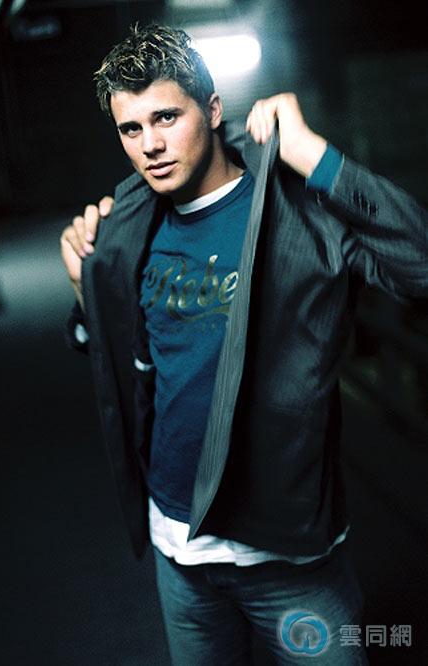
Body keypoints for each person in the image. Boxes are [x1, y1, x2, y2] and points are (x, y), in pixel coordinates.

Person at [60, 23, 427, 665]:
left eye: (166, 117)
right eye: (131, 128)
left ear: (212, 110)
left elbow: (419, 265)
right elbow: (133, 357)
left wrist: (315, 154)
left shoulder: (299, 207)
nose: (151, 145)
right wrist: (87, 295)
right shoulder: (129, 221)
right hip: (178, 547)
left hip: (287, 552)